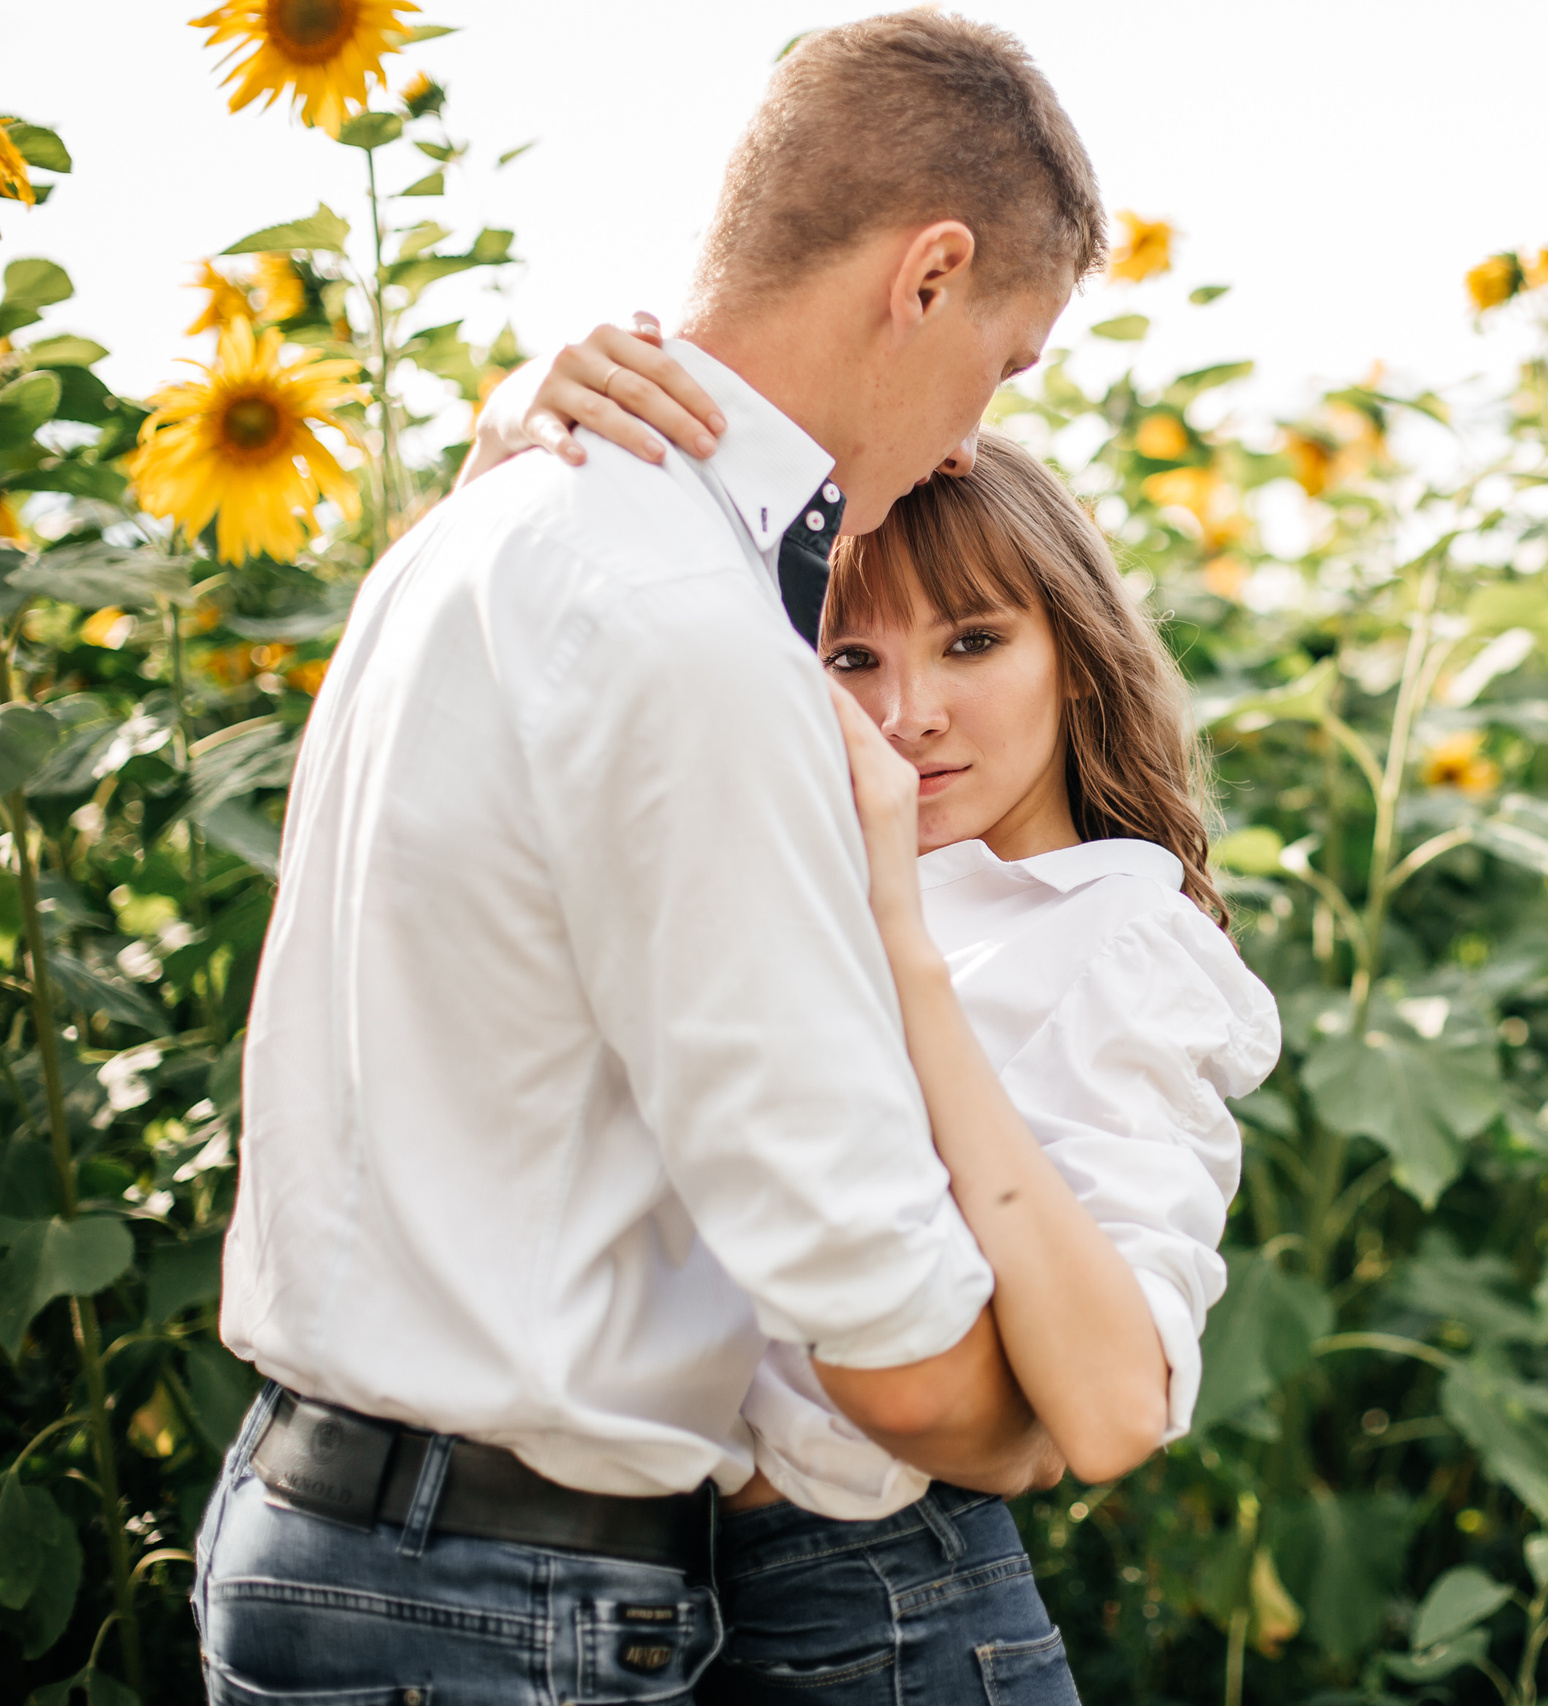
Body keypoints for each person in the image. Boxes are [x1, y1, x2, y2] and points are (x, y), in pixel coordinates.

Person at [198, 15, 1107, 1702]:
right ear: (931, 274)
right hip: (499, 1596)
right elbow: (854, 1267)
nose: (978, 435)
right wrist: (1048, 1424)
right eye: (1008, 355)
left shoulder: (480, 533)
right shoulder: (692, 628)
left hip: (318, 1523)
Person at [467, 359, 1278, 1698]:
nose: (910, 714)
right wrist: (504, 447)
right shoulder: (790, 873)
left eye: (973, 641)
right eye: (852, 656)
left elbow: (1117, 1406)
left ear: (1074, 654)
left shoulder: (1115, 933)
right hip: (645, 1584)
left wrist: (904, 954)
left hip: (884, 1594)